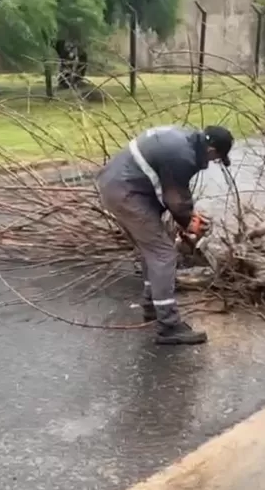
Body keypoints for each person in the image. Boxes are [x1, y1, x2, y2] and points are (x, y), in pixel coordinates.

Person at [97, 124, 234, 345]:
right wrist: (189, 222)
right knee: (163, 254)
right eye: (215, 158)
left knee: (151, 249)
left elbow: (168, 189)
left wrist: (185, 218)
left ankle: (152, 306)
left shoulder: (183, 140)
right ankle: (168, 326)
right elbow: (176, 199)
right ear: (211, 149)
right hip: (125, 192)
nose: (210, 164)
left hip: (121, 185)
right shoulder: (183, 156)